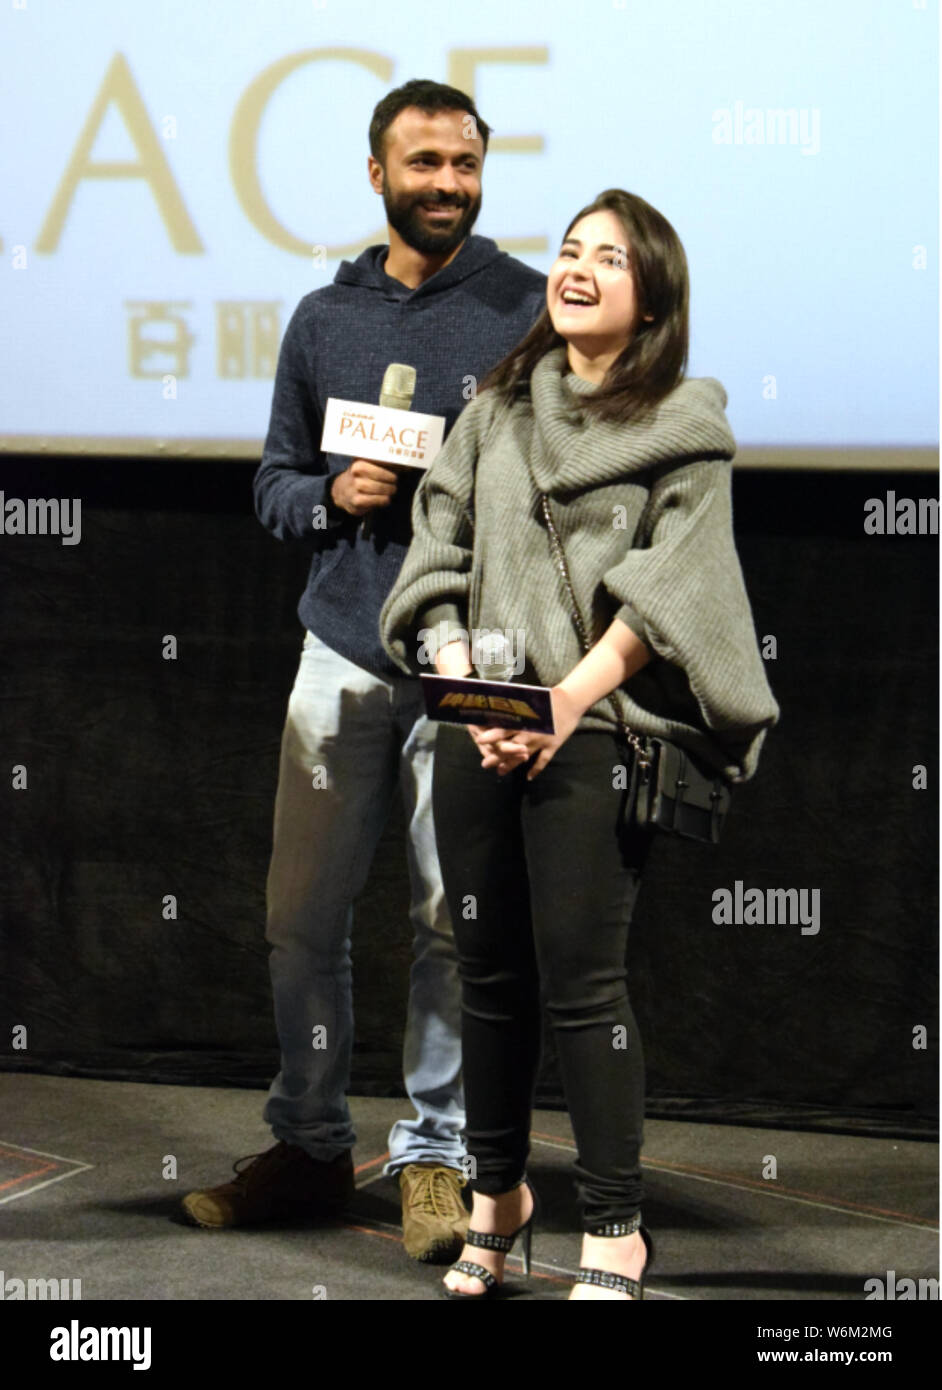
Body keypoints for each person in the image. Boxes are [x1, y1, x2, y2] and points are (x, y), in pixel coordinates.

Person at [381, 187, 779, 1297]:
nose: (577, 266)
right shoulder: (495, 411)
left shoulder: (686, 426)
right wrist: (467, 691)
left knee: (585, 988)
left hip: (597, 728)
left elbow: (673, 596)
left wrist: (561, 705)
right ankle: (497, 1196)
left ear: (651, 295)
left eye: (608, 255)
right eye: (568, 249)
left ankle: (613, 1227)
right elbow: (436, 555)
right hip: (481, 725)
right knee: (488, 976)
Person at [181, 79, 546, 1264]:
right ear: (377, 174)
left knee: (451, 917)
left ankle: (435, 1157)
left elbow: (562, 490)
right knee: (301, 921)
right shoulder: (319, 316)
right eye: (425, 162)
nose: (448, 182)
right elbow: (273, 480)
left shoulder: (526, 307)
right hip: (338, 645)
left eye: (466, 164)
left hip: (471, 661)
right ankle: (311, 1141)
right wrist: (331, 496)